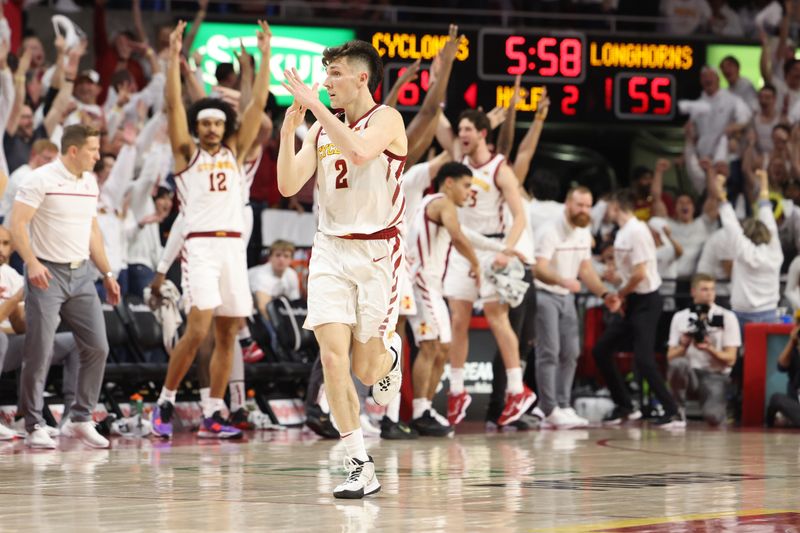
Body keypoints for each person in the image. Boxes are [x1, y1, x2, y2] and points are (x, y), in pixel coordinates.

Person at [277, 39, 407, 499]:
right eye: (325, 73)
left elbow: (358, 153)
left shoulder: (387, 119)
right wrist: (291, 128)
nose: (327, 82)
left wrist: (316, 109)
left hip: (377, 254)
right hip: (330, 248)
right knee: (332, 359)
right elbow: (288, 183)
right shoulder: (319, 129)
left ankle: (389, 355)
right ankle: (358, 464)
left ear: (361, 79)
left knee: (367, 371)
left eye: (335, 74)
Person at [148, 20, 272, 440]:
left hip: (234, 251)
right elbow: (172, 107)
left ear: (226, 128)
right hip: (200, 248)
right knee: (198, 328)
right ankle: (164, 400)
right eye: (206, 123)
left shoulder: (236, 152)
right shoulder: (186, 154)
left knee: (228, 333)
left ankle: (212, 413)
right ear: (199, 126)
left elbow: (256, 108)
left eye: (219, 124)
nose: (212, 129)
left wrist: (264, 54)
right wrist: (173, 62)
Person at [9, 123, 120, 449]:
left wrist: (108, 274)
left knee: (98, 346)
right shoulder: (39, 179)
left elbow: (93, 232)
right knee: (39, 350)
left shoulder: (89, 181)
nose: (98, 156)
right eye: (93, 150)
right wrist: (31, 262)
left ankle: (80, 419)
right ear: (73, 151)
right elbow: (16, 224)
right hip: (47, 273)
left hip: (82, 273)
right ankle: (33, 423)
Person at [406, 162, 522, 436]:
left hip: (431, 286)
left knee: (442, 348)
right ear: (449, 183)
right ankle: (420, 412)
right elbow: (459, 237)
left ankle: (425, 408)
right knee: (431, 347)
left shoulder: (438, 206)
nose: (470, 192)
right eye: (467, 185)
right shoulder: (442, 203)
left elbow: (466, 234)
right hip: (423, 282)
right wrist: (476, 265)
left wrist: (503, 248)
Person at [442, 109, 536, 429]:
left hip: (492, 246)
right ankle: (456, 391)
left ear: (482, 133)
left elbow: (520, 216)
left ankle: (515, 389)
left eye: (467, 128)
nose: (461, 134)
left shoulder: (500, 168)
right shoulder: (459, 162)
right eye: (460, 129)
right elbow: (437, 122)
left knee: (497, 317)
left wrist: (506, 250)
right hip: (461, 246)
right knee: (458, 319)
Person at [591, 189, 683, 427]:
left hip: (646, 301)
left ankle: (671, 410)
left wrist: (620, 293)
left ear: (615, 207)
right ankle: (624, 405)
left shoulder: (637, 231)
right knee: (601, 349)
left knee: (644, 359)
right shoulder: (623, 233)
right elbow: (630, 272)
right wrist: (616, 279)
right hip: (631, 300)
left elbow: (641, 274)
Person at [533, 186, 621, 428]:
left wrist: (604, 293)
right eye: (579, 205)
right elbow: (538, 268)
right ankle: (548, 408)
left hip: (567, 295)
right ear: (568, 205)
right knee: (549, 352)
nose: (584, 210)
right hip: (545, 293)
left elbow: (586, 270)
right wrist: (562, 280)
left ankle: (563, 405)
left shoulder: (583, 231)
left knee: (571, 351)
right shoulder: (549, 230)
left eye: (587, 205)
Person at [667, 273, 740, 426]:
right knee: (677, 364)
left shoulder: (726, 317)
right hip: (690, 372)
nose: (709, 293)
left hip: (715, 374)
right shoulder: (680, 317)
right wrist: (684, 345)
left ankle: (721, 409)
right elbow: (670, 357)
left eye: (712, 289)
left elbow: (731, 359)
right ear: (693, 291)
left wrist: (709, 348)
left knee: (713, 418)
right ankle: (677, 410)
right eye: (704, 289)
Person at [767, 312, 800, 427]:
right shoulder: (795, 348)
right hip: (795, 403)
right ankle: (769, 426)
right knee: (776, 398)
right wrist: (791, 341)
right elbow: (781, 366)